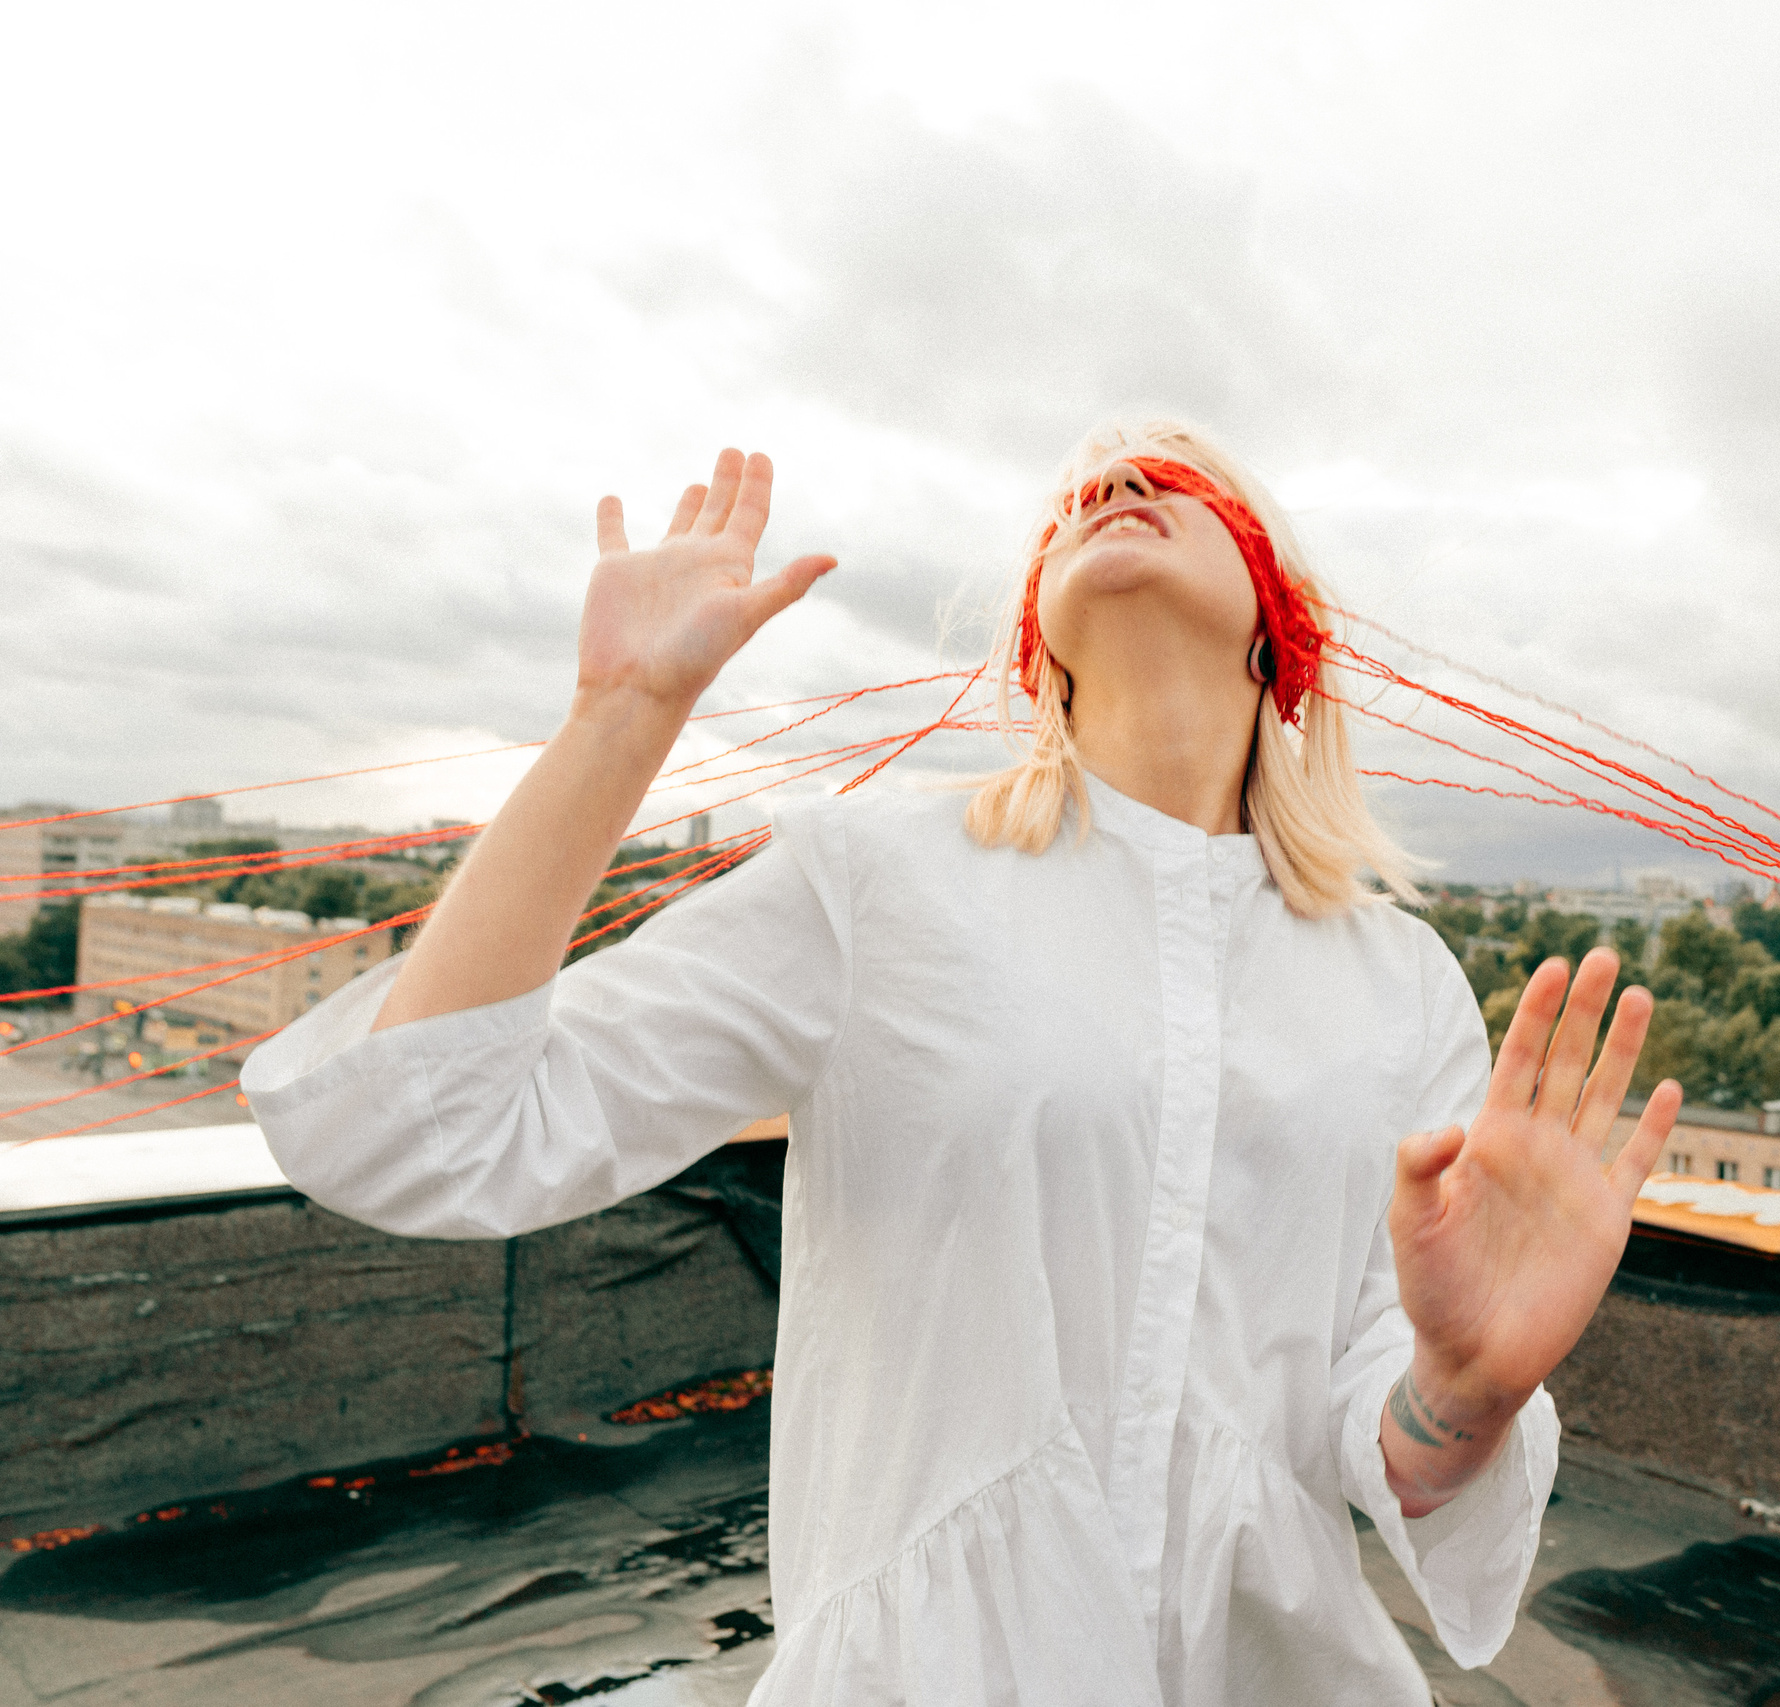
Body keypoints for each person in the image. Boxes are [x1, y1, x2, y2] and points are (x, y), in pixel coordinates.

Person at [244, 422, 1682, 1705]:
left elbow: (1396, 1440)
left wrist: (1466, 1389)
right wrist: (618, 718)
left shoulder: (1400, 985)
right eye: (1087, 493)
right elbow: (434, 1130)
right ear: (1039, 644)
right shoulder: (874, 882)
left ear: (1281, 630)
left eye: (1179, 484)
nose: (1117, 484)